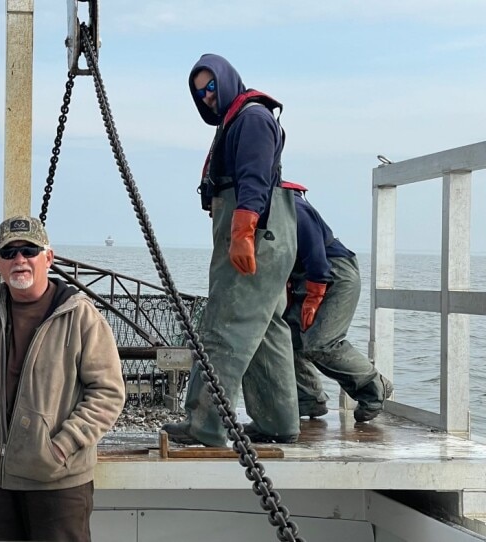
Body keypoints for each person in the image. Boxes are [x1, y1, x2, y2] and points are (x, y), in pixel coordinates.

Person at [0, 215, 125, 542]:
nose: (20, 260)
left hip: (59, 485)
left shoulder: (82, 316)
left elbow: (108, 393)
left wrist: (61, 447)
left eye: (29, 250)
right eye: (9, 253)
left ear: (49, 257)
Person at [162, 53, 299, 445]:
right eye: (199, 92)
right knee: (267, 330)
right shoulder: (239, 118)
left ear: (226, 80)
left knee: (224, 326)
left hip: (253, 232)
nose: (206, 96)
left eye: (211, 87)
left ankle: (206, 426)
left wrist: (242, 231)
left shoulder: (252, 118)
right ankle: (279, 421)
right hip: (269, 234)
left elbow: (254, 177)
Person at [280, 181, 394, 422]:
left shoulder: (291, 205)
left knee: (321, 343)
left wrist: (315, 293)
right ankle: (308, 400)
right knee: (289, 337)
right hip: (305, 276)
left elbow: (315, 251)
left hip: (333, 273)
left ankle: (375, 387)